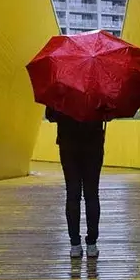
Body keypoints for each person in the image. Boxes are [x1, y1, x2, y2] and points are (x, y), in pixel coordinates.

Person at [46, 106, 105, 258]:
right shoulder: (98, 91)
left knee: (72, 195)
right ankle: (92, 244)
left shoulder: (60, 89)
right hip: (93, 145)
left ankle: (75, 245)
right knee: (92, 195)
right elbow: (109, 114)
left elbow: (50, 116)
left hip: (68, 145)